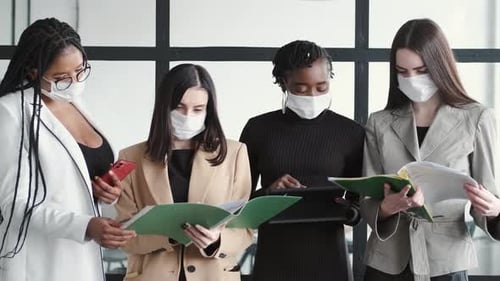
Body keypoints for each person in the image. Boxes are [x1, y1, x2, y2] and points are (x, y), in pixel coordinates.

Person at [361, 18, 500, 281]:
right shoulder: (379, 122)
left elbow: (488, 198)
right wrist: (387, 208)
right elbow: (367, 199)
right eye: (402, 71)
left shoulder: (477, 118)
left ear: (440, 66)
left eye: (421, 70)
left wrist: (495, 210)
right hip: (387, 262)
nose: (411, 79)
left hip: (446, 261)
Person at [0, 18, 136, 281]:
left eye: (80, 71)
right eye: (62, 78)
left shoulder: (75, 102)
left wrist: (109, 192)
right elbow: (14, 204)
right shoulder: (11, 112)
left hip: (85, 260)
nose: (74, 82)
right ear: (32, 72)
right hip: (41, 263)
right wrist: (85, 226)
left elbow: (76, 180)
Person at [239, 40, 365, 281]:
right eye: (301, 88)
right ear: (283, 83)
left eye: (321, 87)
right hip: (273, 260)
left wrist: (345, 208)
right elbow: (238, 204)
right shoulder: (258, 129)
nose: (312, 95)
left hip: (330, 261)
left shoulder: (351, 133)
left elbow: (361, 206)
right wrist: (269, 193)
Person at [115, 63, 253, 281]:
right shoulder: (130, 158)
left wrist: (217, 241)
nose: (188, 115)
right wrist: (168, 236)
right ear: (164, 107)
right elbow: (124, 236)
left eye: (198, 109)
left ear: (209, 111)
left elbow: (244, 230)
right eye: (179, 107)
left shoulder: (234, 153)